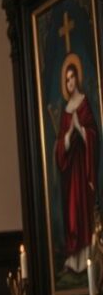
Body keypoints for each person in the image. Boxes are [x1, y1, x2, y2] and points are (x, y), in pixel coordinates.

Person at [55, 57, 98, 273]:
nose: (70, 82)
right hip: (70, 173)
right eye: (67, 79)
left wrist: (80, 128)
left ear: (77, 79)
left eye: (72, 77)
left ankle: (88, 257)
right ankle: (74, 260)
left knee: (83, 210)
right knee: (72, 214)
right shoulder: (65, 109)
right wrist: (69, 134)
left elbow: (92, 133)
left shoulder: (83, 102)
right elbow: (59, 146)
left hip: (83, 169)